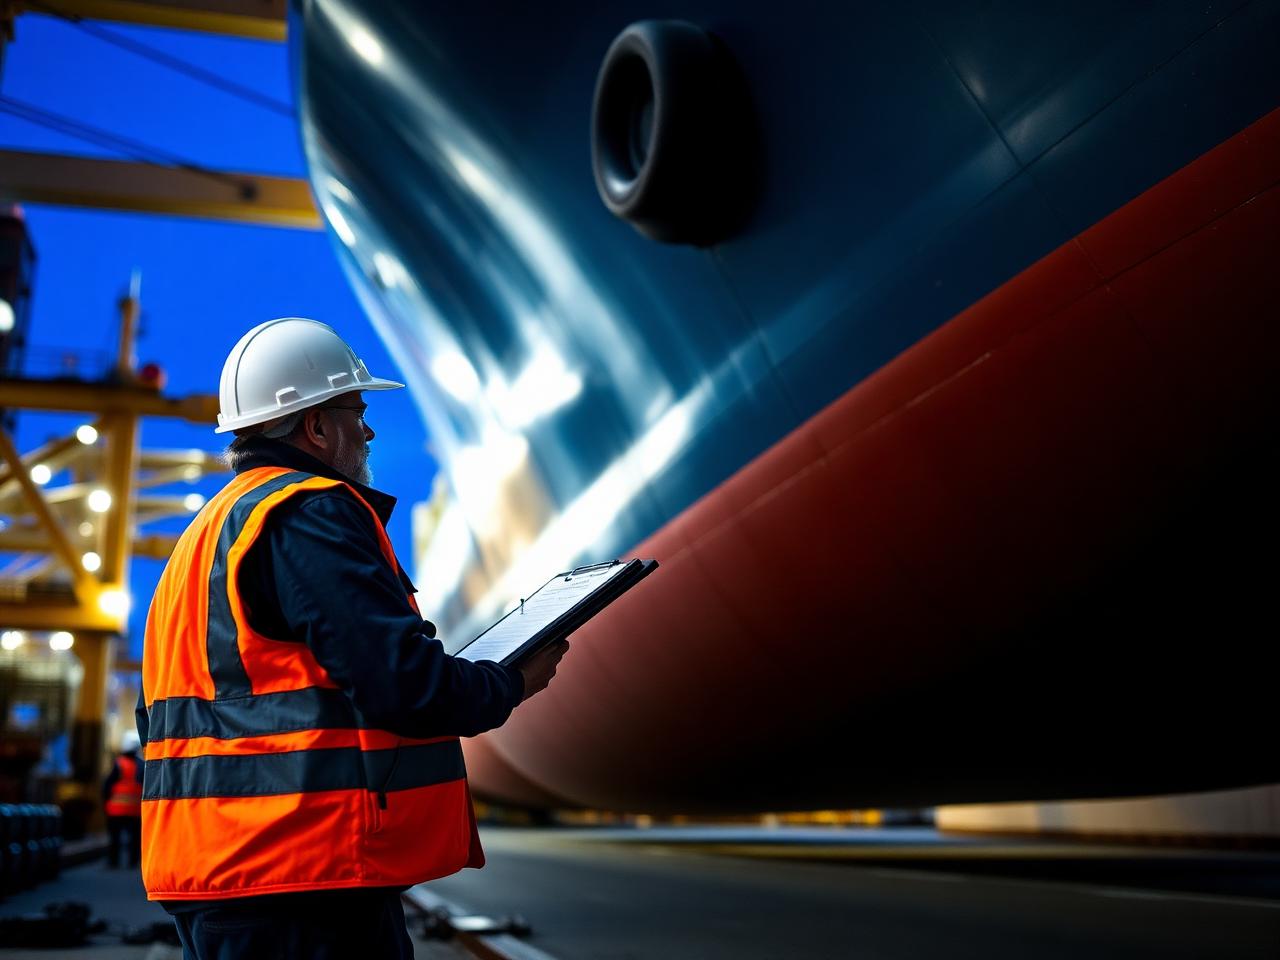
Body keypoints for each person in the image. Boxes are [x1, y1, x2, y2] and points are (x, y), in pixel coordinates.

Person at [137, 317, 568, 959]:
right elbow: (403, 683)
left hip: (220, 870)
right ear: (314, 426)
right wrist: (511, 680)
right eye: (356, 409)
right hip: (301, 878)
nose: (366, 429)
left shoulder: (205, 537)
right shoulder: (311, 510)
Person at [102, 729, 143, 869]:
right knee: (135, 838)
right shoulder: (141, 765)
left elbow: (108, 784)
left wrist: (105, 801)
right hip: (135, 810)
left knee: (114, 838)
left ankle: (113, 861)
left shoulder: (118, 764)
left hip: (115, 809)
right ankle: (133, 861)